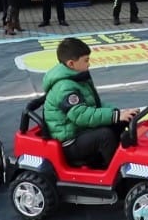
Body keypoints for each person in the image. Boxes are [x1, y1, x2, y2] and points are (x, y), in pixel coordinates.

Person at [43, 37, 140, 168]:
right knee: (105, 136)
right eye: (86, 60)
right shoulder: (65, 87)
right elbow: (81, 116)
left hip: (80, 131)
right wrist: (114, 115)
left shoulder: (76, 77)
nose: (89, 64)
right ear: (71, 64)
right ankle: (115, 172)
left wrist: (119, 113)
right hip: (70, 142)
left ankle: (124, 157)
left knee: (120, 122)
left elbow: (94, 106)